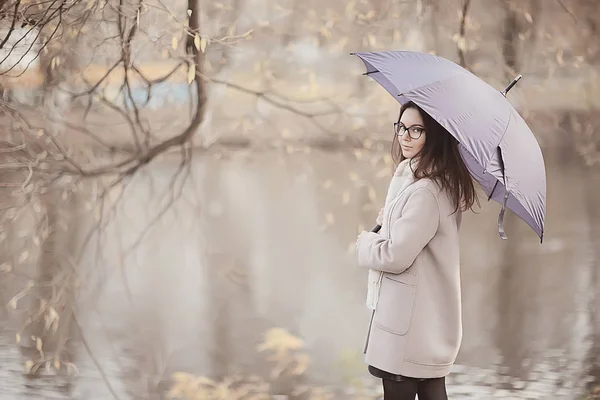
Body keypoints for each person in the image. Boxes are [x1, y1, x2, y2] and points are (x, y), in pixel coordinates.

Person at [355, 101, 478, 400]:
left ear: (433, 135)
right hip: (422, 327)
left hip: (408, 330)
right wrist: (392, 219)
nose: (405, 136)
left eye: (416, 130)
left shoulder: (424, 191)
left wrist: (365, 243)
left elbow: (396, 255)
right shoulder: (434, 184)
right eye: (401, 127)